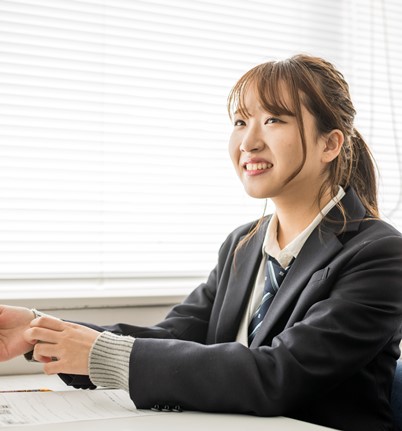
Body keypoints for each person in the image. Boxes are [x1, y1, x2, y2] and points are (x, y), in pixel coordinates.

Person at [1, 54, 402, 431]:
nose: (248, 142)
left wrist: (103, 354)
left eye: (275, 120)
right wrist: (38, 331)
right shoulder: (242, 244)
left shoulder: (380, 254)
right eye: (241, 121)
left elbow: (279, 374)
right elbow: (176, 336)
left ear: (330, 144)